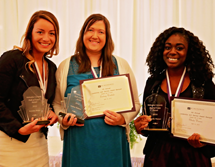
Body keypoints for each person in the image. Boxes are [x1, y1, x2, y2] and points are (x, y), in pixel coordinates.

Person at [53, 13, 140, 167]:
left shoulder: (120, 64)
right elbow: (57, 104)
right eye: (90, 30)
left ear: (107, 37)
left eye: (101, 32)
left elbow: (135, 103)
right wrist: (63, 120)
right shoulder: (66, 65)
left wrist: (122, 119)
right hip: (78, 141)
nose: (95, 35)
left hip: (113, 142)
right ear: (83, 34)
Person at [134, 27, 215, 167]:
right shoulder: (153, 83)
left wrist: (203, 143)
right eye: (167, 47)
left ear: (189, 52)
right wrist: (141, 126)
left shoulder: (203, 82)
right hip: (158, 156)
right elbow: (149, 126)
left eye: (179, 48)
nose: (172, 52)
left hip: (193, 156)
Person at [0, 10, 59, 167]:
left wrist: (51, 112)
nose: (46, 38)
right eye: (40, 32)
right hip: (9, 142)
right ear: (30, 33)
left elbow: (46, 101)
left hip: (38, 143)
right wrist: (18, 129)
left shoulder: (52, 68)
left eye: (52, 33)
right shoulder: (12, 59)